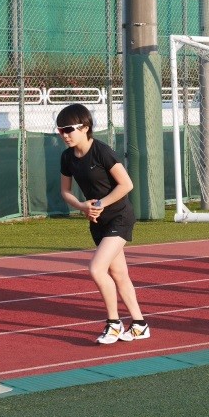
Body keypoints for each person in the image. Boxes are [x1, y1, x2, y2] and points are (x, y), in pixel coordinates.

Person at [57, 103, 150, 344]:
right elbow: (65, 192)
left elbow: (126, 184)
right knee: (119, 274)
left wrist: (100, 203)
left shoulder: (101, 151)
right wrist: (82, 206)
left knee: (96, 269)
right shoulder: (67, 157)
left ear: (85, 127)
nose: (65, 135)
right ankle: (140, 324)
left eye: (69, 129)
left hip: (119, 216)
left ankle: (114, 323)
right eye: (60, 131)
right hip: (97, 221)